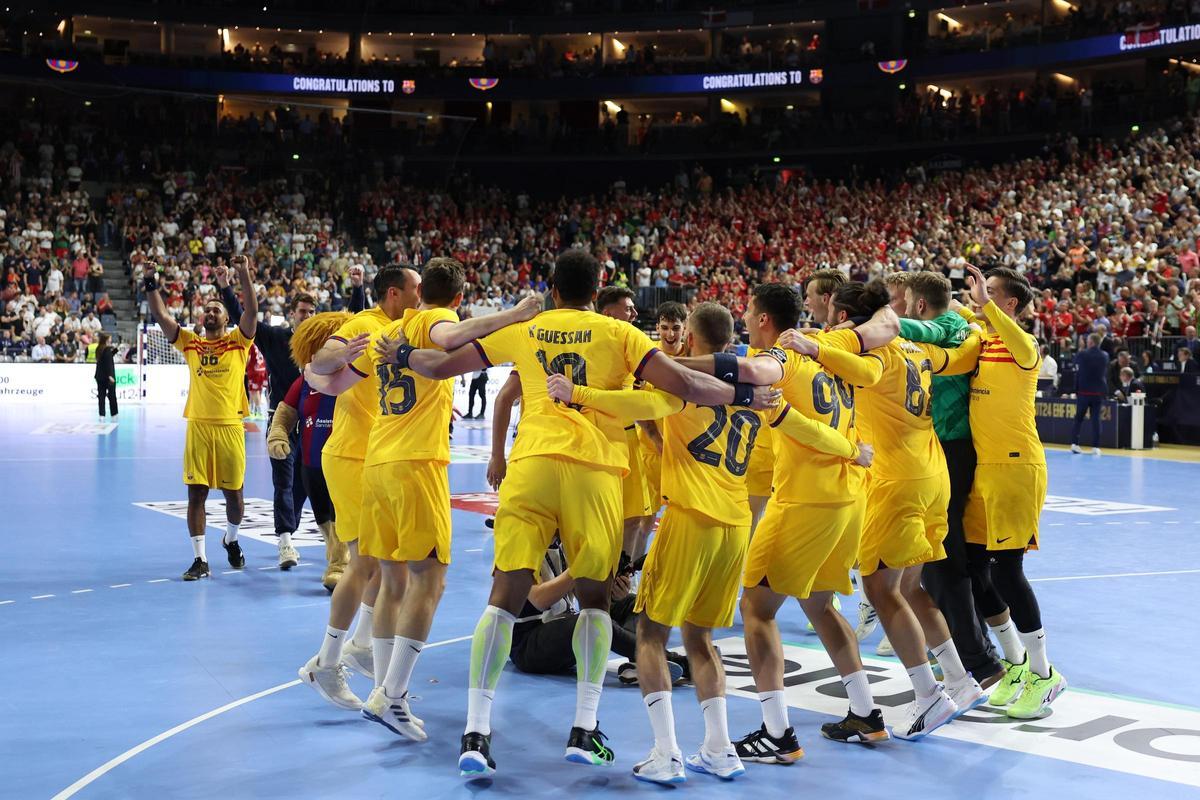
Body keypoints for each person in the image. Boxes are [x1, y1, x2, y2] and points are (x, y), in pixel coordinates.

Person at [379, 249, 776, 778]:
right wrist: (744, 392)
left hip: (533, 464)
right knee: (593, 597)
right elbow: (685, 386)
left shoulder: (529, 326)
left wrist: (400, 356)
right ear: (598, 288)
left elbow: (442, 364)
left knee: (503, 598)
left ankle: (476, 733)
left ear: (552, 287)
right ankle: (584, 729)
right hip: (595, 472)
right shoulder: (621, 334)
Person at [555, 302, 871, 784]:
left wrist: (578, 392)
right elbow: (799, 426)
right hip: (734, 524)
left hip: (690, 519)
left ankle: (666, 753)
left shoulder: (680, 381)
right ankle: (720, 748)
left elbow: (638, 407)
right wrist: (851, 450)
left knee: (651, 636)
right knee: (700, 638)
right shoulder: (755, 391)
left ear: (691, 338)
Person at [311, 258, 541, 742]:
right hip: (416, 463)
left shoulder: (387, 332)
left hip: (377, 464)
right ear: (456, 298)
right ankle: (391, 695)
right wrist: (513, 314)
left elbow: (330, 382)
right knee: (430, 581)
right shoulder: (434, 320)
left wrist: (310, 378)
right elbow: (449, 338)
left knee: (391, 580)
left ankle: (380, 688)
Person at [672, 284, 891, 757]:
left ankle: (777, 732)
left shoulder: (784, 354)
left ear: (766, 319)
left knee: (756, 608)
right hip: (848, 498)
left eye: (750, 313)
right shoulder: (832, 351)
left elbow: (754, 370)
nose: (746, 319)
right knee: (819, 605)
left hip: (808, 499)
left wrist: (664, 366)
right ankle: (867, 712)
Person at [784, 280, 986, 741]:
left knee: (879, 588)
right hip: (935, 473)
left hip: (897, 480)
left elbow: (865, 373)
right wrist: (976, 324)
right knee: (911, 589)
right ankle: (959, 679)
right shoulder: (916, 347)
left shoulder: (872, 355)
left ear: (843, 317)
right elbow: (964, 358)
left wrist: (812, 347)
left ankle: (929, 695)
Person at [299, 267, 421, 697]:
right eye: (415, 287)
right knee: (366, 563)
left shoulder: (399, 329)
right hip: (352, 456)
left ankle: (362, 643)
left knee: (392, 564)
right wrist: (339, 355)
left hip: (378, 458)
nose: (420, 294)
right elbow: (322, 360)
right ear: (394, 292)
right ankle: (327, 663)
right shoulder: (366, 325)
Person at [957, 265, 1067, 720]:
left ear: (1009, 305)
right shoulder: (983, 339)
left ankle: (1044, 675)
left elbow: (990, 318)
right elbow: (955, 311)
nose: (981, 296)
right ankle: (1016, 665)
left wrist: (982, 306)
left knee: (1007, 571)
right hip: (984, 471)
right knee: (975, 570)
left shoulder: (1026, 345)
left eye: (992, 293)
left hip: (1017, 468)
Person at [895, 272, 1003, 687]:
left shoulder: (946, 328)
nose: (901, 309)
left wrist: (877, 324)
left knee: (942, 561)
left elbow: (923, 328)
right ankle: (976, 655)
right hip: (948, 449)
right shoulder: (958, 325)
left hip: (951, 449)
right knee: (943, 560)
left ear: (919, 305)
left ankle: (978, 660)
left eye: (904, 302)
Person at [218, 266, 363, 573]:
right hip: (282, 420)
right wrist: (227, 288)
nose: (306, 316)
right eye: (301, 311)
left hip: (321, 424)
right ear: (292, 312)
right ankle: (285, 540)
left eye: (311, 311)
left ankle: (328, 542)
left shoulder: (326, 346)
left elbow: (356, 323)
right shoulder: (275, 339)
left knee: (314, 484)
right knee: (283, 482)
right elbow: (246, 319)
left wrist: (357, 287)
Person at [144, 256, 257, 581]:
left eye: (216, 310)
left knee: (234, 496)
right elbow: (161, 314)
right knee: (196, 494)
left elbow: (251, 311)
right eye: (206, 309)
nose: (210, 313)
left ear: (225, 318)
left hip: (230, 428)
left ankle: (231, 539)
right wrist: (151, 281)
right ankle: (200, 559)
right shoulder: (190, 343)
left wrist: (243, 274)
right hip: (198, 427)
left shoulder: (239, 342)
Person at [268, 312, 352, 594]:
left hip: (344, 461)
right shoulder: (306, 380)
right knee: (324, 519)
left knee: (342, 515)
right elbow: (286, 411)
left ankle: (339, 565)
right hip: (311, 464)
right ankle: (339, 559)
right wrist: (278, 433)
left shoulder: (353, 377)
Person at [595, 285, 652, 563]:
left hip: (629, 437)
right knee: (591, 521)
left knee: (633, 518)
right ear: (609, 313)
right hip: (597, 439)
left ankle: (622, 577)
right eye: (628, 308)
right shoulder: (590, 343)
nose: (635, 313)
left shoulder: (633, 342)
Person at [1071, 333, 1109, 455]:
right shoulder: (1104, 355)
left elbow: (1075, 362)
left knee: (1078, 418)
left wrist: (1081, 348)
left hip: (1083, 392)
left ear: (1091, 342)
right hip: (1097, 392)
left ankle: (1074, 443)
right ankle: (1096, 447)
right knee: (1096, 419)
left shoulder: (1083, 354)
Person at [94, 332, 118, 421]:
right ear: (107, 339)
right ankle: (114, 414)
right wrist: (110, 375)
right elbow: (108, 363)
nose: (111, 340)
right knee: (112, 396)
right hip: (107, 377)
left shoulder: (99, 349)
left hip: (99, 376)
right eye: (110, 338)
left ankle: (102, 415)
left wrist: (115, 350)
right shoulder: (107, 349)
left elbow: (106, 358)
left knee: (101, 396)